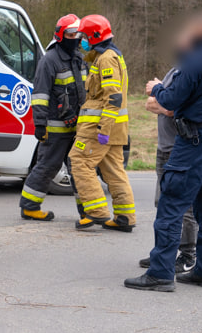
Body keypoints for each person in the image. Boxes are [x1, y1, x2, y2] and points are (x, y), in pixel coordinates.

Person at [125, 13, 202, 292]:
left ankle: (160, 273)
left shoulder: (196, 59)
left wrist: (157, 87)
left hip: (194, 139)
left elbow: (169, 98)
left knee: (172, 202)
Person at [68, 14, 135, 231]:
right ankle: (125, 217)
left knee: (78, 160)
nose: (81, 41)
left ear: (95, 36)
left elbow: (113, 97)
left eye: (85, 36)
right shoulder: (108, 56)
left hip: (100, 128)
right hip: (114, 127)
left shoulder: (106, 59)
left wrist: (103, 129)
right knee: (114, 170)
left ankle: (96, 212)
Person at [19, 14, 86, 220]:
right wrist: (40, 124)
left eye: (77, 33)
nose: (75, 38)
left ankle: (88, 212)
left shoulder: (79, 58)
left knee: (80, 169)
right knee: (48, 166)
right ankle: (30, 207)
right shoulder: (49, 60)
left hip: (78, 126)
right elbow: (40, 94)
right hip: (55, 128)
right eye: (71, 34)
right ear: (60, 36)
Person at [137, 68, 198, 273]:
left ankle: (189, 254)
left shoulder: (192, 70)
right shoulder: (175, 70)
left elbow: (176, 107)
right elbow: (153, 103)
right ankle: (164, 252)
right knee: (162, 203)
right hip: (164, 147)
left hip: (178, 148)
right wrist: (160, 97)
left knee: (183, 206)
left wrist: (161, 100)